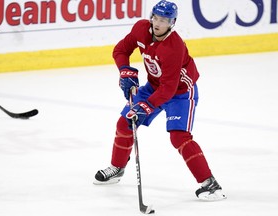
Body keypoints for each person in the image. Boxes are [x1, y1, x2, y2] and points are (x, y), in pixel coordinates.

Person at [93, 0, 226, 201]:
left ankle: (211, 184)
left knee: (179, 137)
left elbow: (169, 88)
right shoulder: (141, 29)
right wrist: (125, 71)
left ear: (172, 23)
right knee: (124, 123)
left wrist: (146, 106)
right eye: (155, 17)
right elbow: (120, 50)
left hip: (180, 93)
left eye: (163, 20)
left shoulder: (174, 46)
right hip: (155, 87)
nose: (157, 23)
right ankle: (117, 168)